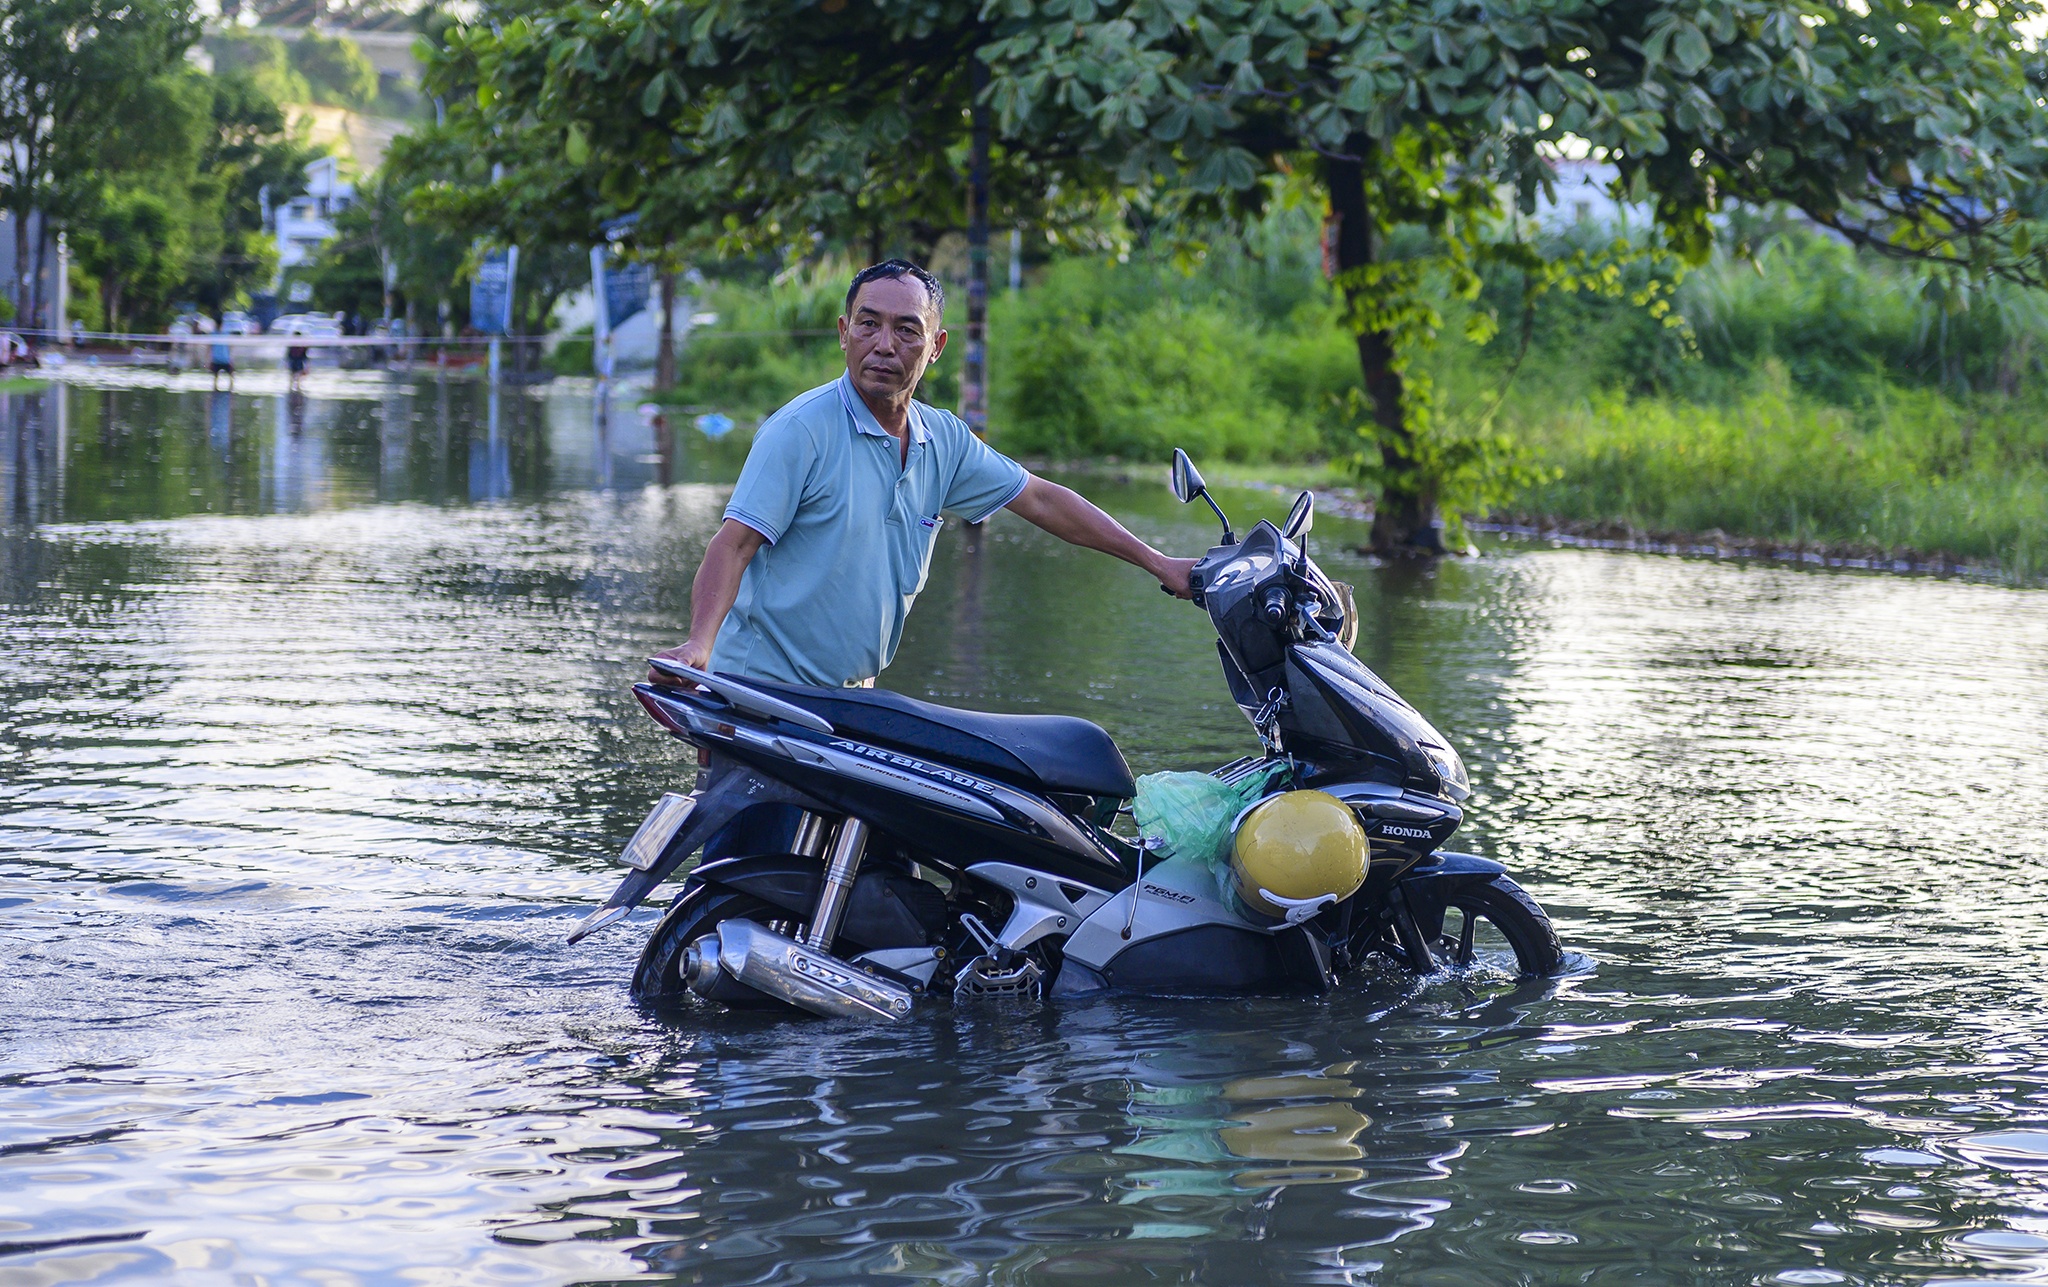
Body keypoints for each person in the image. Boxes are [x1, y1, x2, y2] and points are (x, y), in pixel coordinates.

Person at [650, 259, 1197, 693]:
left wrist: (1158, 562)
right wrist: (700, 646)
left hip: (850, 697)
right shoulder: (800, 430)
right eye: (869, 324)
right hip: (758, 690)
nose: (884, 344)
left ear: (935, 347)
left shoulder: (944, 441)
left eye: (907, 330)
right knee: (755, 834)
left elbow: (1042, 499)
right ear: (844, 333)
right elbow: (734, 543)